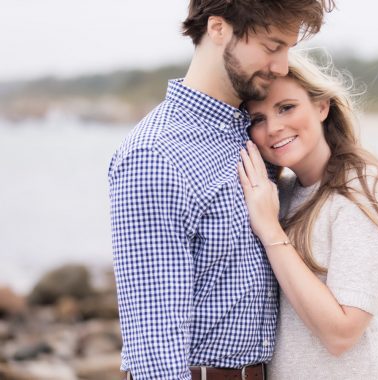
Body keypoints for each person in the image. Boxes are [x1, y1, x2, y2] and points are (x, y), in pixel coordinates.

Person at [108, 1, 335, 378]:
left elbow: (316, 196)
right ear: (218, 29)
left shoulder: (257, 132)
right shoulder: (154, 156)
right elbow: (154, 343)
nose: (281, 66)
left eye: (287, 50)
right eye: (271, 46)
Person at [238, 52, 378, 379]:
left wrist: (270, 229)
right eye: (257, 119)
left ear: (321, 106)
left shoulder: (365, 187)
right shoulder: (282, 193)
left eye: (286, 107)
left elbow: (341, 334)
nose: (273, 128)